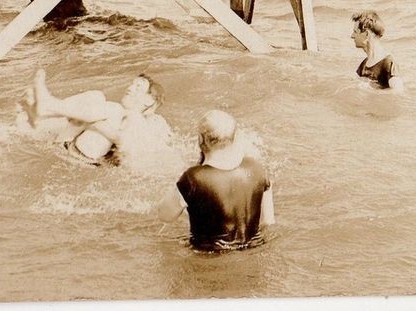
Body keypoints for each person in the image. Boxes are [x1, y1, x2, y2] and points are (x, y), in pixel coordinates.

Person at [155, 110, 274, 252]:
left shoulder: (193, 178)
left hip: (208, 260)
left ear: (200, 139)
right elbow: (268, 222)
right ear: (235, 137)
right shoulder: (257, 168)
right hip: (251, 252)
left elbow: (165, 216)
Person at [23, 69, 170, 165]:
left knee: (113, 108)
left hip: (80, 159)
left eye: (138, 87)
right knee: (95, 96)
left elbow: (126, 145)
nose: (129, 88)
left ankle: (47, 107)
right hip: (68, 147)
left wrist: (96, 124)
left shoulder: (139, 120)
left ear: (149, 100)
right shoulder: (127, 116)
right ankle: (44, 111)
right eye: (132, 84)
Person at [351, 10, 404, 90]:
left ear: (366, 34)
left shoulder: (388, 63)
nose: (352, 36)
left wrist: (371, 90)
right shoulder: (363, 65)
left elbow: (398, 93)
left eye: (355, 32)